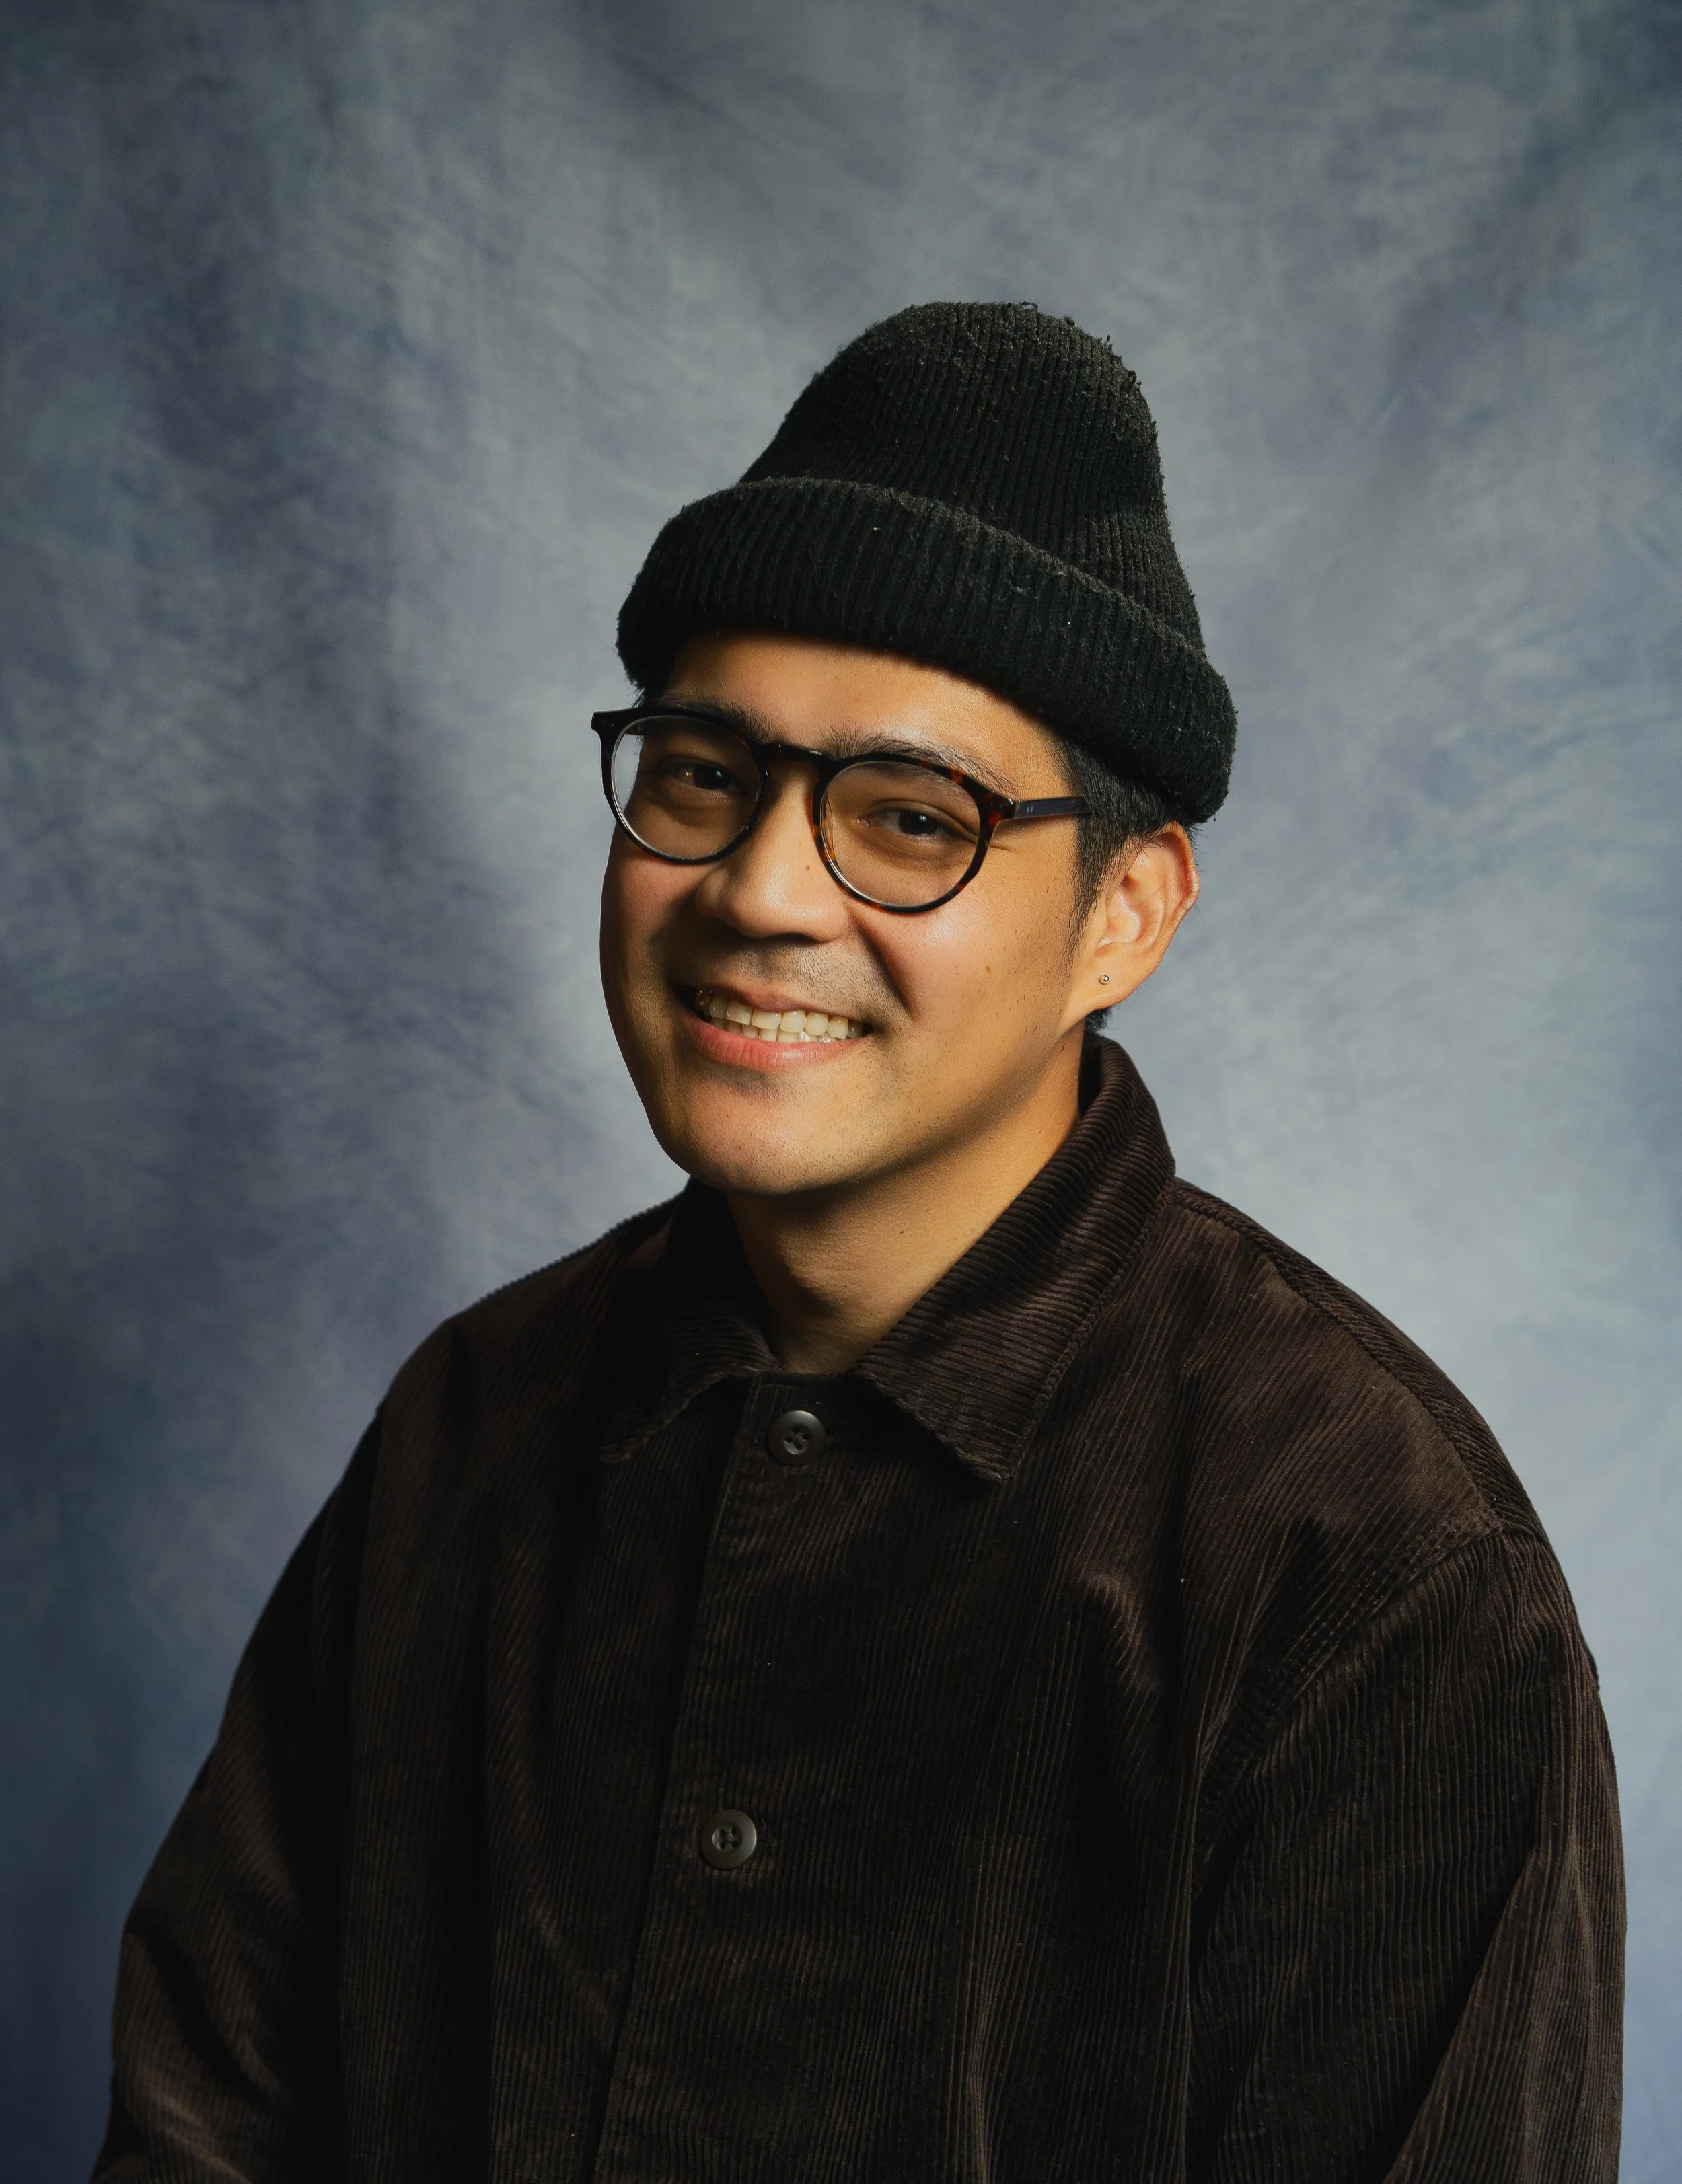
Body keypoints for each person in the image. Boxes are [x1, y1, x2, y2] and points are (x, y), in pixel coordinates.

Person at [95, 303, 1623, 2184]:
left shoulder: (1377, 1580)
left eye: (910, 818)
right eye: (698, 775)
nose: (755, 891)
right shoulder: (467, 1431)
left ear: (1122, 915)